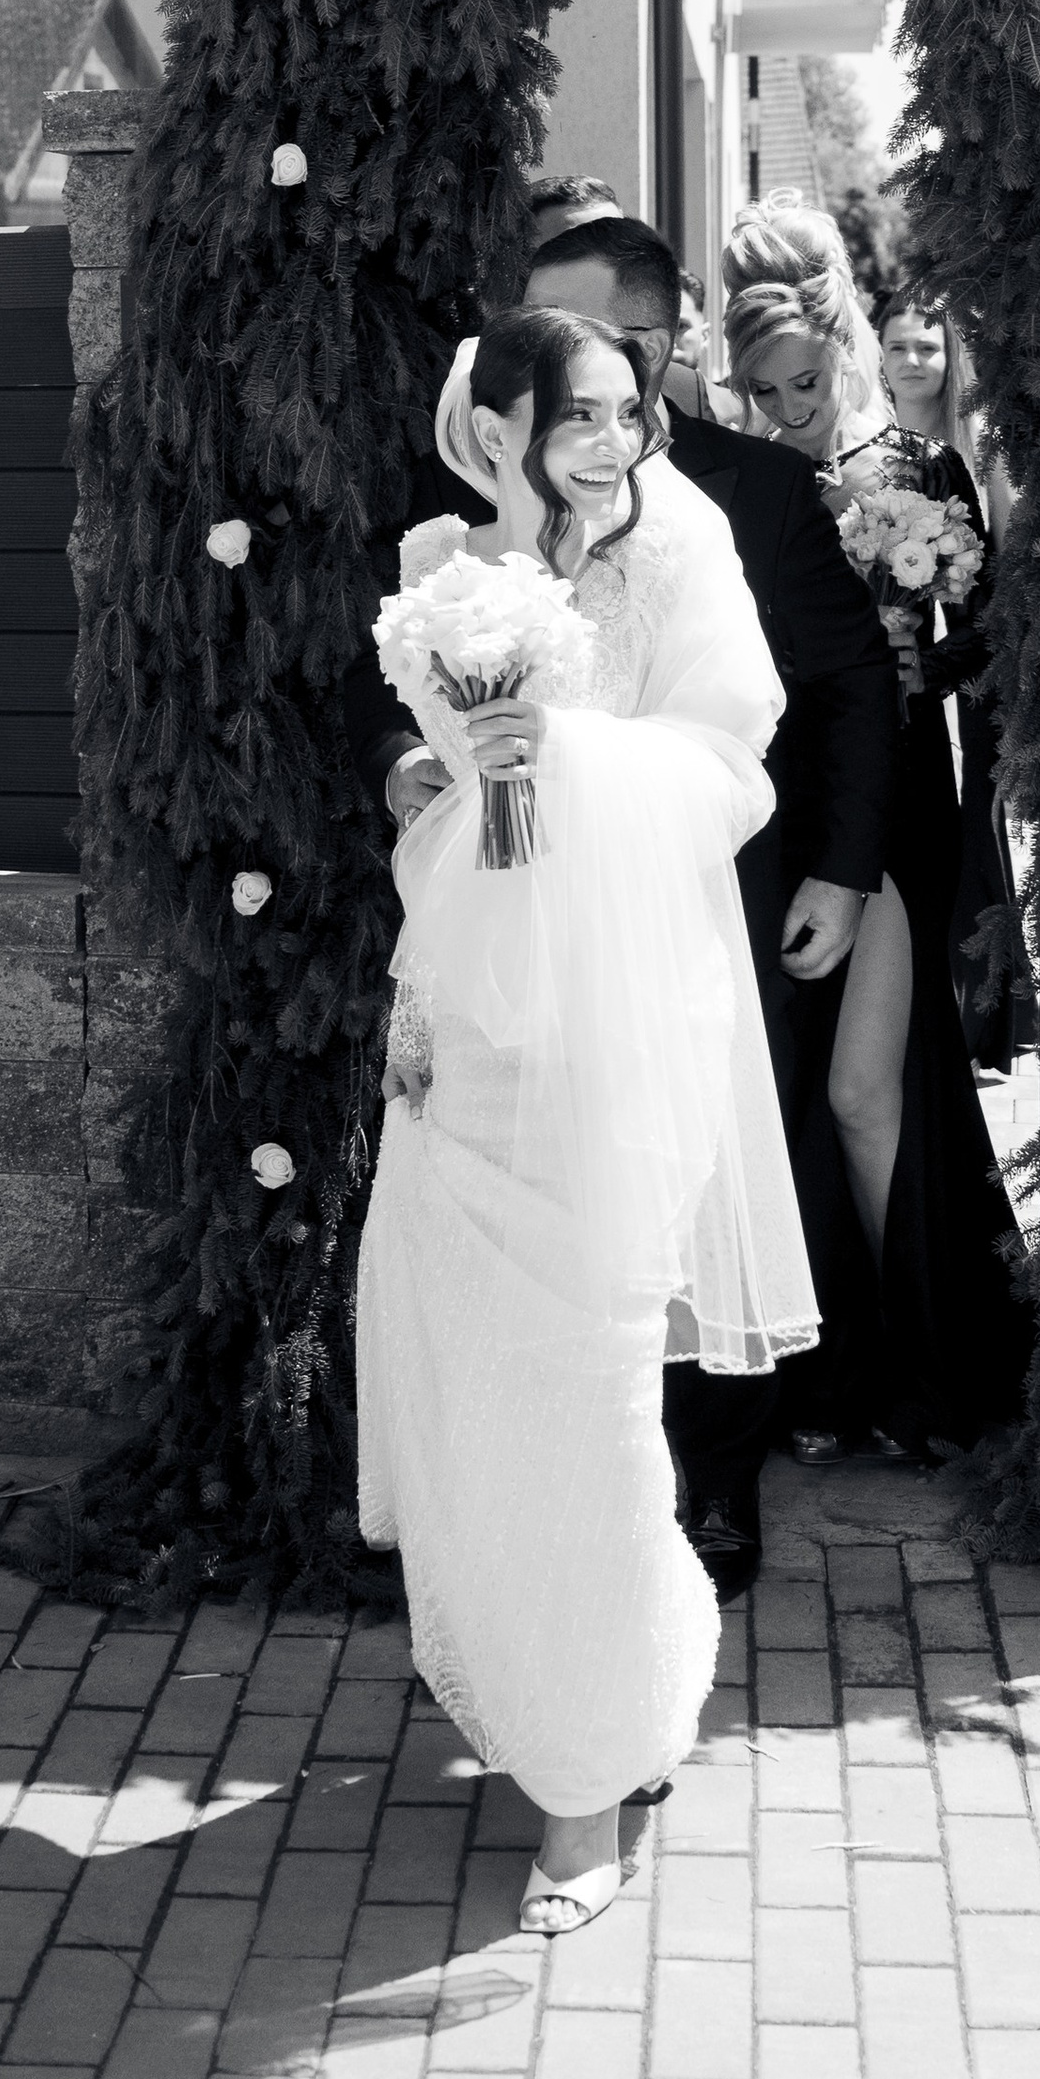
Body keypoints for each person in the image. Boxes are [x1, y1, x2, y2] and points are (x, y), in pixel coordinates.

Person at [345, 210, 897, 1601]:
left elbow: (812, 700)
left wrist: (837, 864)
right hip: (481, 952)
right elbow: (395, 718)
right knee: (503, 1235)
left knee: (661, 1220)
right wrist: (424, 767)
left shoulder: (725, 512)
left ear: (649, 348)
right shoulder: (441, 560)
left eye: (599, 363)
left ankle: (688, 1496)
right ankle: (515, 1520)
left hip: (663, 929)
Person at [355, 306, 815, 1937]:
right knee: (470, 1372)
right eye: (583, 415)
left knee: (601, 1395)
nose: (619, 442)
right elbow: (422, 767)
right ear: (504, 426)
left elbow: (731, 767)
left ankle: (588, 1786)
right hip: (461, 1022)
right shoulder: (437, 557)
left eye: (635, 411)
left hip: (628, 1028)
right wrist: (433, 782)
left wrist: (563, 757)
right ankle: (576, 1684)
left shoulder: (681, 546)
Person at [721, 205, 1034, 1452]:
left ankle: (920, 1368)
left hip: (896, 809)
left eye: (807, 379)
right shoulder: (735, 486)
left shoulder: (917, 467)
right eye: (765, 389)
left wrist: (920, 653)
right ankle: (828, 1371)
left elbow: (990, 633)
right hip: (773, 808)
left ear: (843, 349)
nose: (792, 403)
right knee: (795, 1099)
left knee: (867, 1089)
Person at [872, 281, 1026, 1070]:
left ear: (950, 355)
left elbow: (994, 566)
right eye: (897, 345)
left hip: (968, 656)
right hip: (905, 662)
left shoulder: (973, 445)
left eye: (926, 346)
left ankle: (989, 1011)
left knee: (979, 826)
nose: (911, 360)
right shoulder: (870, 445)